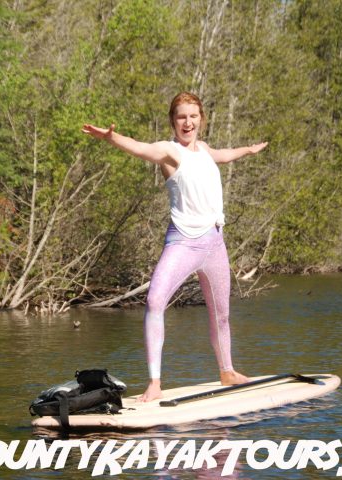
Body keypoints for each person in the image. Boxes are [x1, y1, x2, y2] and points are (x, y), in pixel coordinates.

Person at [82, 92, 268, 402]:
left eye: (193, 116)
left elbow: (223, 154)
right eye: (181, 116)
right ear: (173, 120)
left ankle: (227, 371)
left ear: (201, 119)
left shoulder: (205, 150)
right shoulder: (169, 151)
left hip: (215, 244)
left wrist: (247, 150)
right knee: (155, 301)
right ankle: (154, 383)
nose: (187, 122)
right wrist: (112, 138)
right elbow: (141, 149)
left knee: (221, 314)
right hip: (183, 241)